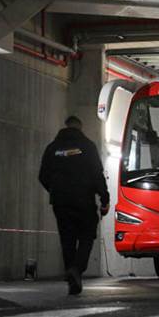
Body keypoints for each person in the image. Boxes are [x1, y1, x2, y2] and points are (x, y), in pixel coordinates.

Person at [39, 116, 110, 295]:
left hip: (60, 202)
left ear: (65, 126)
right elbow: (97, 174)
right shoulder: (88, 146)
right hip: (83, 199)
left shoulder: (52, 148)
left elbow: (42, 175)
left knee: (67, 238)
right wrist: (104, 198)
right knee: (87, 235)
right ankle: (77, 269)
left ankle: (72, 276)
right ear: (80, 127)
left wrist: (55, 190)